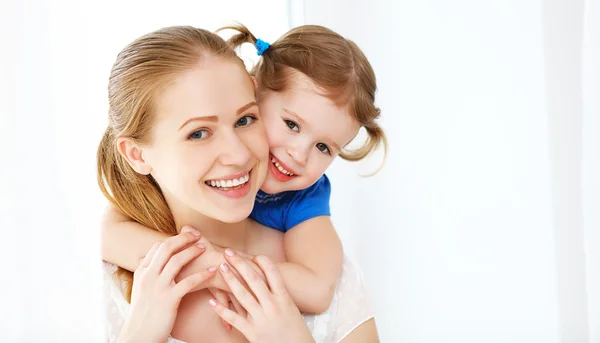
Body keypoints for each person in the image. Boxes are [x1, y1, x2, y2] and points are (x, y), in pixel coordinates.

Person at [99, 26, 379, 342]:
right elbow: (106, 233)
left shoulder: (333, 275)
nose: (237, 153)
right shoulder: (95, 284)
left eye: (245, 120)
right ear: (136, 154)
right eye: (198, 133)